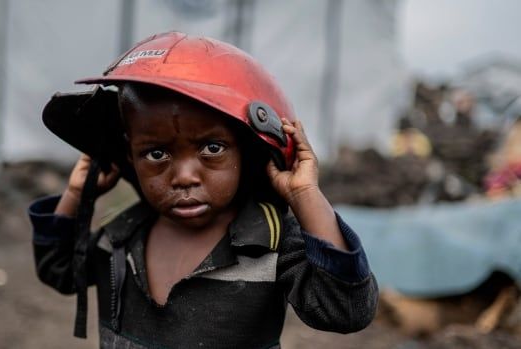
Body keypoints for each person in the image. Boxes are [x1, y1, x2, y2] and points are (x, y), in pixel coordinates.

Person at [29, 31, 378, 349]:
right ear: (129, 154)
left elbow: (345, 310)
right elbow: (58, 269)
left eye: (212, 148)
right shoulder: (119, 236)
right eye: (156, 153)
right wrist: (77, 191)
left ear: (247, 150)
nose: (184, 177)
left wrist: (305, 195)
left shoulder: (269, 242)